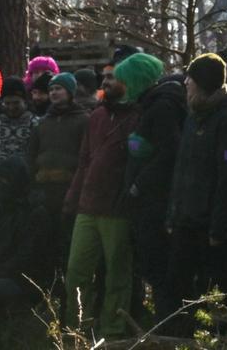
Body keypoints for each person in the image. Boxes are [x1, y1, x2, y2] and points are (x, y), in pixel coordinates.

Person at [166, 53, 227, 335]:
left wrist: (219, 227)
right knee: (179, 288)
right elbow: (182, 170)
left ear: (202, 82)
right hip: (186, 220)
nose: (186, 82)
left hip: (213, 228)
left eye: (190, 77)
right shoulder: (194, 118)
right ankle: (182, 337)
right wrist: (174, 212)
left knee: (226, 290)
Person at [62, 58, 141, 338]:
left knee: (118, 275)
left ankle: (113, 333)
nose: (105, 82)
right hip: (88, 206)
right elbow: (84, 160)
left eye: (112, 77)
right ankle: (77, 331)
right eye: (104, 77)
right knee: (76, 272)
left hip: (117, 210)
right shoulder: (96, 116)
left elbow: (140, 160)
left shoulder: (138, 116)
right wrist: (73, 197)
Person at [121, 52, 183, 323]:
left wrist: (138, 183)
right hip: (153, 200)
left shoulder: (162, 107)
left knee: (158, 266)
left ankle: (169, 322)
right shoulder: (153, 104)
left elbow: (167, 152)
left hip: (157, 202)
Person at [28, 71, 87, 276]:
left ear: (70, 92)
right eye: (51, 89)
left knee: (68, 243)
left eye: (58, 89)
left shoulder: (83, 120)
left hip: (69, 189)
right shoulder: (42, 123)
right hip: (45, 189)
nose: (53, 93)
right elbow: (32, 154)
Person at [0, 158, 43, 308]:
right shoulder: (0, 209)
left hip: (22, 281)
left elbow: (27, 256)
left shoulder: (35, 213)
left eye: (6, 181)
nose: (1, 185)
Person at [0, 77, 37, 208]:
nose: (11, 107)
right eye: (7, 103)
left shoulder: (36, 123)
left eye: (16, 103)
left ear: (25, 102)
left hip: (26, 185)